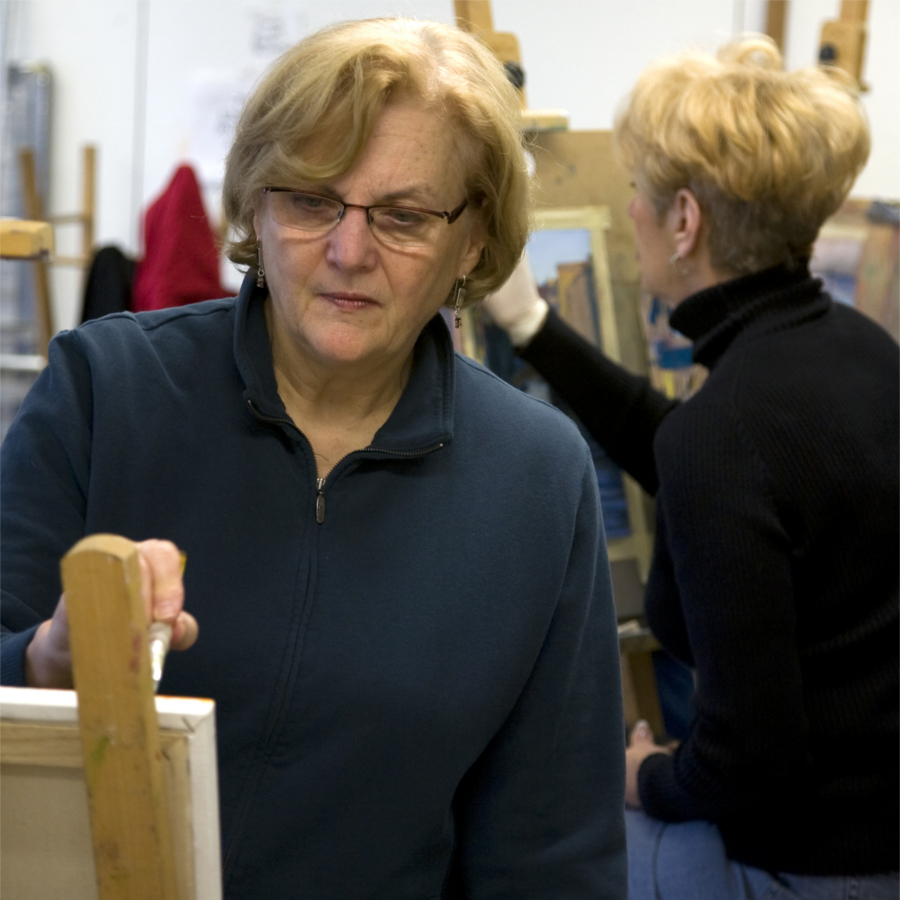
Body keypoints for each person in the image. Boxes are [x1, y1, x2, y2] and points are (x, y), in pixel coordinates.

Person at [0, 17, 628, 900]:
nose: (347, 251)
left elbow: (553, 852)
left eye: (404, 216)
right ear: (256, 202)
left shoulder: (535, 478)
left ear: (474, 240)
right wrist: (47, 661)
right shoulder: (108, 391)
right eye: (309, 200)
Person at [483, 35, 899, 900]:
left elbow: (749, 760)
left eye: (636, 191)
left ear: (684, 219)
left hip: (807, 859)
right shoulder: (860, 352)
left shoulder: (726, 431)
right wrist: (531, 328)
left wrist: (647, 776)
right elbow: (699, 453)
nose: (627, 210)